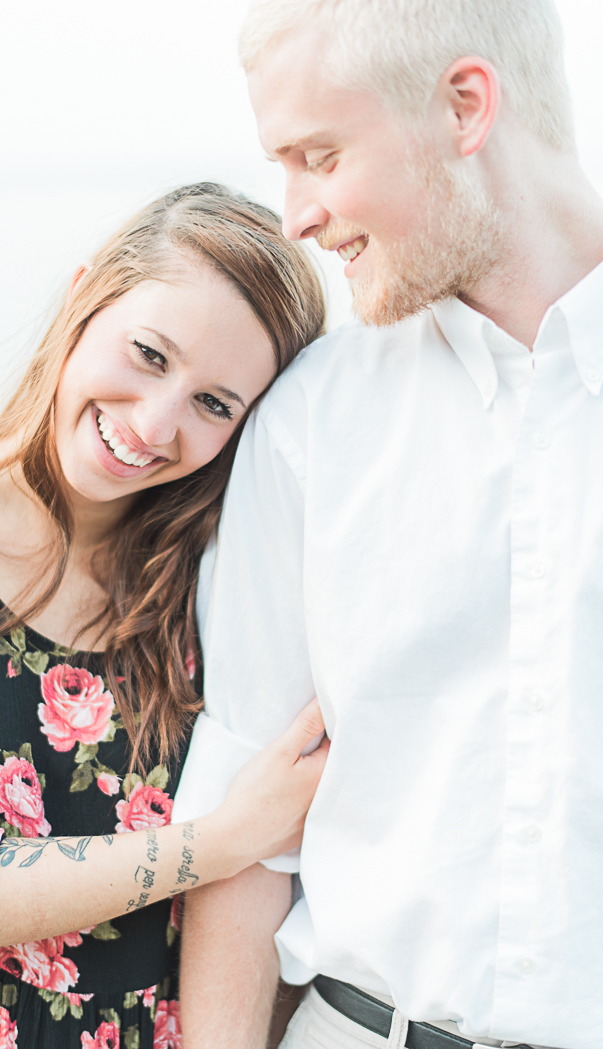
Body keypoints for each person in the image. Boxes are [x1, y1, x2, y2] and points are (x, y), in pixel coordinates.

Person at [173, 3, 603, 1048]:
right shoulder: (308, 424)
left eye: (318, 156)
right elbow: (244, 834)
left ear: (465, 106)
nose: (297, 216)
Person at [0, 182, 329, 1049]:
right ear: (84, 297)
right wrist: (224, 838)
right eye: (149, 354)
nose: (156, 422)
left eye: (216, 404)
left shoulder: (208, 590)